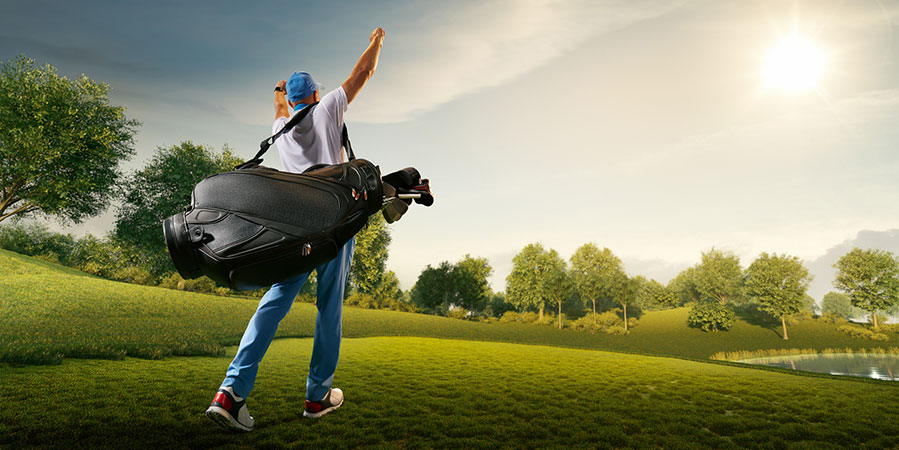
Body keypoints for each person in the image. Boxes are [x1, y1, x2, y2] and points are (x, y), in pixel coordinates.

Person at [205, 27, 386, 432]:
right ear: (317, 96)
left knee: (274, 303)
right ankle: (317, 397)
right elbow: (363, 75)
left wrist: (277, 90)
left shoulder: (279, 129)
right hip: (335, 223)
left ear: (289, 101)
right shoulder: (328, 109)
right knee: (329, 310)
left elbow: (279, 106)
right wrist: (375, 43)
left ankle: (230, 393)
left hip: (293, 228)